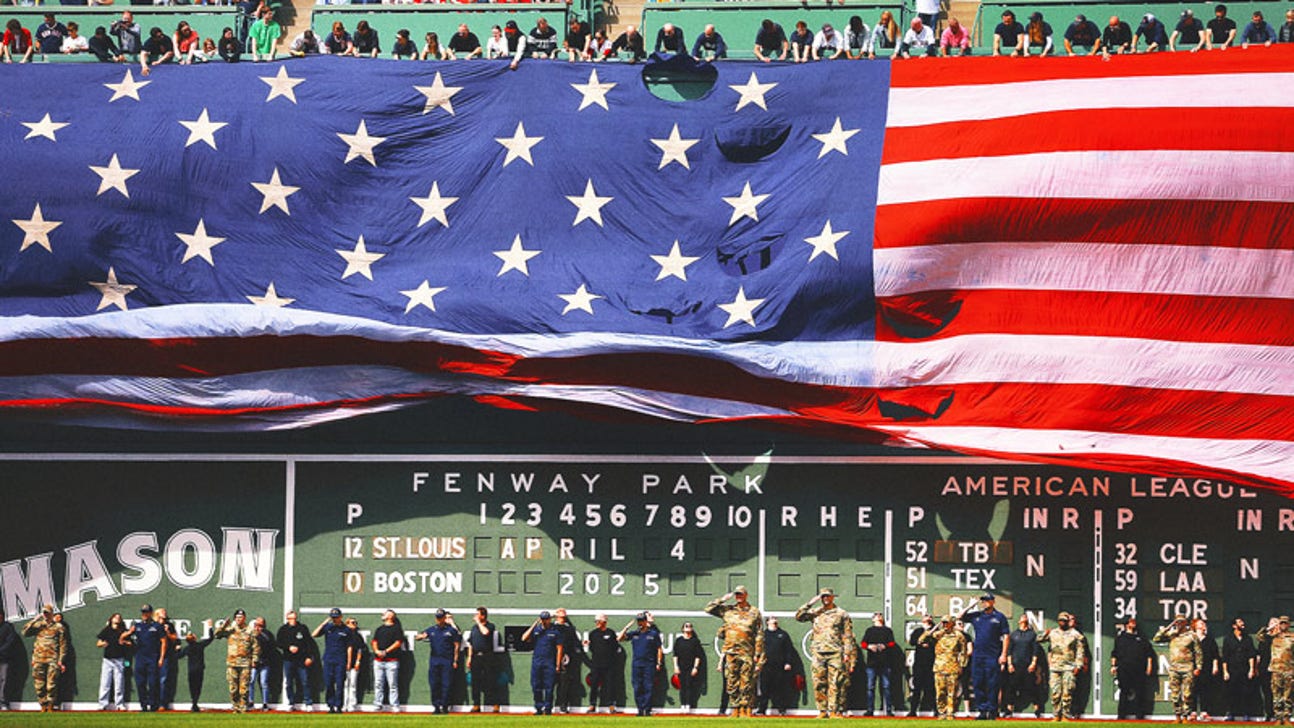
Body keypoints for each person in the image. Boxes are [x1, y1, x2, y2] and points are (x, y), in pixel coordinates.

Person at [795, 588, 856, 718]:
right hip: (818, 652)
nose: (825, 599)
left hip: (835, 652)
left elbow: (847, 635)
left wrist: (847, 653)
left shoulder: (841, 614)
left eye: (828, 596)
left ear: (833, 597)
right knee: (818, 683)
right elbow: (799, 617)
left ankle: (834, 710)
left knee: (836, 682)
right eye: (823, 596)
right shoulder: (816, 612)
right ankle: (822, 711)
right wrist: (810, 603)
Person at [705, 586, 764, 717]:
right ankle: (735, 707)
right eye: (737, 594)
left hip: (747, 651)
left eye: (741, 594)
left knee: (747, 681)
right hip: (731, 651)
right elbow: (708, 608)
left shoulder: (754, 612)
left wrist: (758, 653)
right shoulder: (728, 610)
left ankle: (746, 708)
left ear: (746, 595)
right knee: (731, 681)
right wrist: (722, 599)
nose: (738, 597)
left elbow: (759, 633)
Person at [961, 593, 1010, 721]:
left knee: (993, 684)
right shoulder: (977, 616)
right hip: (978, 655)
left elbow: (1006, 636)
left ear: (993, 601)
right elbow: (959, 617)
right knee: (978, 683)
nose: (985, 603)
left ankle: (992, 711)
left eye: (987, 600)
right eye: (983, 601)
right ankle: (982, 711)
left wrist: (1004, 654)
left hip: (993, 655)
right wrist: (970, 606)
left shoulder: (999, 617)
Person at [1155, 614, 1203, 723]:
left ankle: (1185, 716)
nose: (1179, 623)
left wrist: (1198, 667)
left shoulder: (1192, 636)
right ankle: (1177, 716)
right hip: (1174, 668)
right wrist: (1169, 626)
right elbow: (1156, 638)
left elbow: (1198, 652)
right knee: (1175, 694)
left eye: (1181, 621)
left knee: (1187, 694)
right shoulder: (1172, 635)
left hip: (1188, 667)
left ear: (1186, 623)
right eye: (1177, 621)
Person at [1038, 612, 1084, 720]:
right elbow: (1038, 639)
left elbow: (1080, 651)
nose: (1062, 622)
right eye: (1060, 620)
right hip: (1055, 667)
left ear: (1068, 622)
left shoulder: (1075, 634)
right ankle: (1056, 715)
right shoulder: (1053, 633)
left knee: (1067, 692)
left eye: (1064, 620)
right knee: (1055, 692)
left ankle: (1065, 715)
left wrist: (1078, 665)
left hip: (1069, 667)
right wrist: (1045, 633)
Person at [121, 604, 166, 712]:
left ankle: (153, 704)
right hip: (140, 657)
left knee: (152, 683)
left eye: (146, 612)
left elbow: (164, 642)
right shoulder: (137, 626)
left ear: (151, 613)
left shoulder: (157, 626)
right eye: (143, 612)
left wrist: (161, 658)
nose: (144, 615)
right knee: (140, 682)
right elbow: (122, 639)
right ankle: (143, 705)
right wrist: (128, 634)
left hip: (153, 657)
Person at [924, 614, 969, 720]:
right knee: (940, 692)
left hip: (953, 666)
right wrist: (932, 631)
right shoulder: (937, 635)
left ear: (951, 623)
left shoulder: (959, 635)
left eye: (946, 622)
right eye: (943, 623)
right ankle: (941, 712)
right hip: (939, 666)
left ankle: (950, 712)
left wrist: (962, 665)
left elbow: (963, 652)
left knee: (952, 692)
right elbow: (921, 640)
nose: (944, 625)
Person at [23, 605, 67, 712]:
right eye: (44, 613)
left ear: (52, 613)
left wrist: (61, 660)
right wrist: (34, 620)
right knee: (39, 684)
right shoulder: (39, 625)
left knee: (51, 684)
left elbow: (63, 645)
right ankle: (43, 704)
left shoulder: (59, 627)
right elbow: (25, 632)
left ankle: (51, 704)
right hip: (38, 658)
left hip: (52, 658)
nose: (45, 615)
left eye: (47, 612)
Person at [415, 608, 460, 714]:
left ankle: (445, 706)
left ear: (445, 618)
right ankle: (436, 706)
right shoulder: (432, 630)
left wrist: (455, 660)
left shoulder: (451, 631)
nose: (439, 620)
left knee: (446, 684)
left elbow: (456, 646)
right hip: (435, 660)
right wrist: (420, 636)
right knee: (434, 684)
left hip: (447, 660)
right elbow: (421, 636)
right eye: (438, 618)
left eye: (441, 617)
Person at [214, 609, 259, 713]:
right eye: (237, 618)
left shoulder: (250, 631)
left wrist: (255, 659)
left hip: (245, 663)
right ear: (235, 619)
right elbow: (217, 635)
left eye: (241, 617)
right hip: (232, 663)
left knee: (244, 688)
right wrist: (223, 626)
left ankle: (243, 708)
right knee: (233, 688)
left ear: (244, 618)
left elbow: (255, 646)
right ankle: (235, 707)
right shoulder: (230, 629)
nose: (239, 619)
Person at [618, 612, 662, 716]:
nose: (640, 623)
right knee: (637, 687)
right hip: (637, 664)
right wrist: (627, 627)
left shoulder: (653, 634)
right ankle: (640, 709)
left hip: (649, 664)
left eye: (642, 621)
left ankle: (647, 710)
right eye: (638, 621)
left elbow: (659, 649)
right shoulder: (634, 634)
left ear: (646, 621)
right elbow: (619, 638)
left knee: (648, 687)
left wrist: (659, 662)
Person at [522, 610, 563, 715]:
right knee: (536, 686)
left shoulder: (555, 632)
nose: (545, 621)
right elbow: (524, 638)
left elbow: (559, 648)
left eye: (546, 619)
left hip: (549, 663)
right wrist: (535, 624)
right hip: (537, 662)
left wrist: (558, 665)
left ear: (550, 619)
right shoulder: (537, 630)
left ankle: (548, 708)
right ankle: (539, 708)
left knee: (549, 687)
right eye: (543, 619)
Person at [313, 608, 353, 713]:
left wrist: (348, 662)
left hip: (340, 660)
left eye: (336, 617)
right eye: (333, 617)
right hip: (328, 659)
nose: (334, 619)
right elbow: (314, 634)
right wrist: (324, 623)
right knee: (329, 683)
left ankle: (339, 706)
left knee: (340, 684)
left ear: (341, 617)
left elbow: (349, 647)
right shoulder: (328, 627)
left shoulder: (346, 630)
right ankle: (330, 706)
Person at [1111, 617, 1153, 719]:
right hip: (1124, 669)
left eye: (1134, 621)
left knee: (1140, 692)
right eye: (1131, 622)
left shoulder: (1141, 638)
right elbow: (1114, 653)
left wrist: (1149, 666)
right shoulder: (1120, 638)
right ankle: (1121, 716)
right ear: (1126, 624)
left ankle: (1139, 716)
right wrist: (1113, 666)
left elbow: (1149, 654)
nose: (1133, 623)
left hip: (1139, 669)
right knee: (1124, 691)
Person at [860, 612, 897, 716]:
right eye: (876, 615)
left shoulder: (888, 631)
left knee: (886, 686)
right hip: (872, 663)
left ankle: (888, 710)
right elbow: (863, 643)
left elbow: (892, 643)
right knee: (870, 687)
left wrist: (884, 646)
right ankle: (870, 710)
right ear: (873, 619)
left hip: (885, 663)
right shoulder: (869, 631)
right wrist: (869, 647)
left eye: (880, 614)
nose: (879, 616)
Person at [1257, 616, 1292, 725]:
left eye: (1285, 623)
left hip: (1289, 669)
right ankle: (1278, 717)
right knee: (1276, 696)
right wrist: (1271, 627)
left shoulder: (1292, 637)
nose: (1283, 625)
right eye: (1281, 623)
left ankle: (1286, 717)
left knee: (1288, 696)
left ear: (1288, 625)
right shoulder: (1272, 637)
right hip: (1275, 669)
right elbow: (1259, 636)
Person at [466, 606, 502, 712]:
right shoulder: (474, 628)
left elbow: (485, 632)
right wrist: (469, 657)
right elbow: (471, 644)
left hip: (487, 657)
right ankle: (476, 704)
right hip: (476, 657)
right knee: (475, 682)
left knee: (490, 680)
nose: (475, 616)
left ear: (483, 615)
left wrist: (478, 622)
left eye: (478, 614)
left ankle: (495, 704)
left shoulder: (490, 626)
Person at [278, 610, 316, 711]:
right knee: (289, 682)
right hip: (288, 660)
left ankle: (308, 703)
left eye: (294, 618)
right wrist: (288, 647)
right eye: (291, 618)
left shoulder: (302, 628)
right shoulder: (283, 629)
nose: (293, 620)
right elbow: (279, 643)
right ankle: (291, 703)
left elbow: (309, 644)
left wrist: (309, 657)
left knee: (305, 681)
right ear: (287, 618)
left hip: (301, 660)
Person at [1222, 616, 1258, 721]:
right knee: (1231, 692)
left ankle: (1246, 714)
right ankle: (1231, 713)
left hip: (1244, 670)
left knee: (1246, 692)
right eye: (1239, 622)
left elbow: (1251, 655)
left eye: (1242, 621)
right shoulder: (1228, 639)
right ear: (1234, 626)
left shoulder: (1248, 639)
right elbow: (1225, 656)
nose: (1242, 623)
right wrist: (1225, 671)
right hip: (1232, 670)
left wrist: (1252, 669)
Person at [1004, 615, 1039, 718]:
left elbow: (1035, 650)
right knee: (1011, 688)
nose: (1023, 619)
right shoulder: (1014, 635)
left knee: (1031, 687)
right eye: (1022, 618)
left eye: (1025, 618)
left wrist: (1033, 663)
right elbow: (1009, 650)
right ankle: (1009, 710)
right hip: (1015, 665)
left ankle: (1037, 709)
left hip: (1028, 666)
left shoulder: (1032, 635)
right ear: (1019, 621)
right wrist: (1010, 664)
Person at [584, 613, 620, 713]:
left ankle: (611, 705)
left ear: (604, 622)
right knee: (594, 685)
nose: (596, 623)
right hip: (596, 664)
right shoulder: (593, 634)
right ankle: (592, 705)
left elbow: (615, 648)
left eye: (598, 621)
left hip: (609, 665)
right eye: (596, 621)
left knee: (610, 685)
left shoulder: (611, 633)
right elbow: (592, 649)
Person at [758, 616, 794, 715]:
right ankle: (762, 709)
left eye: (776, 618)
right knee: (764, 689)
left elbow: (788, 650)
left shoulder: (783, 634)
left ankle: (781, 709)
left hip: (779, 666)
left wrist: (788, 662)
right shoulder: (763, 635)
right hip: (765, 665)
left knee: (779, 688)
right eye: (772, 618)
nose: (775, 620)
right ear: (768, 621)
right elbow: (758, 650)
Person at [177, 622, 214, 713]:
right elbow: (210, 638)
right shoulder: (199, 646)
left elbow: (178, 656)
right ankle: (195, 703)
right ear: (194, 638)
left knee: (192, 687)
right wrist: (210, 627)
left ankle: (194, 702)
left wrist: (177, 649)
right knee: (198, 687)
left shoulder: (187, 648)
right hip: (199, 669)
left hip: (191, 670)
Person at [371, 609, 404, 712]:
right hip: (378, 661)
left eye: (384, 614)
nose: (382, 615)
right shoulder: (379, 629)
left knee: (392, 685)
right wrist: (376, 651)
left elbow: (398, 642)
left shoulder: (397, 629)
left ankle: (394, 705)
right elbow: (374, 641)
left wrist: (386, 651)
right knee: (378, 684)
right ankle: (377, 704)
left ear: (390, 616)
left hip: (392, 661)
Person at [96, 613, 129, 711]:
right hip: (107, 660)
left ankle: (119, 704)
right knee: (105, 683)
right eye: (115, 617)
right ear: (111, 619)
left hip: (119, 660)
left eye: (119, 617)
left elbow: (130, 643)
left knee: (119, 684)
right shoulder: (107, 630)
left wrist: (125, 642)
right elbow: (98, 643)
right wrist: (103, 643)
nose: (117, 618)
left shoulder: (123, 631)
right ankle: (102, 704)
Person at [554, 608, 583, 713]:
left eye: (564, 615)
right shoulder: (551, 627)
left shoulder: (570, 629)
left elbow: (575, 644)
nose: (562, 617)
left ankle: (563, 705)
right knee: (548, 683)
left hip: (565, 658)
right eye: (560, 615)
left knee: (564, 683)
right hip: (550, 657)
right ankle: (546, 705)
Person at [909, 615, 937, 716]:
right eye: (925, 616)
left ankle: (936, 710)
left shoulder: (936, 630)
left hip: (931, 663)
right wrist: (920, 643)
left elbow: (938, 643)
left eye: (929, 617)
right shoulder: (918, 631)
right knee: (917, 689)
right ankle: (913, 711)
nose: (927, 618)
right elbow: (912, 642)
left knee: (931, 688)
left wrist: (930, 643)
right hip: (919, 664)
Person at [673, 622, 703, 713]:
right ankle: (682, 705)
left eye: (690, 626)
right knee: (682, 687)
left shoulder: (695, 641)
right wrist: (676, 666)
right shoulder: (679, 641)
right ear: (683, 629)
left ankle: (688, 706)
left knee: (689, 686)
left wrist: (695, 667)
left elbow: (698, 656)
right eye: (686, 626)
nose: (688, 627)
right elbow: (675, 655)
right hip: (681, 667)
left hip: (691, 667)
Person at [1193, 619, 1220, 720]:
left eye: (1204, 623)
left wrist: (1215, 666)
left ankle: (1204, 712)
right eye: (1200, 623)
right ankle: (1193, 712)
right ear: (1195, 626)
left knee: (1205, 691)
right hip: (1194, 669)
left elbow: (1215, 655)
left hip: (1206, 668)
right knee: (1193, 690)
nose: (1203, 625)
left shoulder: (1209, 640)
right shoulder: (1192, 638)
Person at [157, 608, 181, 710]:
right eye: (162, 612)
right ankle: (151, 702)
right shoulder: (153, 625)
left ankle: (163, 703)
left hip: (166, 656)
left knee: (163, 679)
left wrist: (167, 632)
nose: (165, 613)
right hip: (152, 655)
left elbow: (175, 638)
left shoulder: (169, 625)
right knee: (152, 679)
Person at [251, 617, 276, 711]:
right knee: (251, 681)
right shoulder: (251, 634)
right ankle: (250, 702)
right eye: (256, 625)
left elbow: (270, 646)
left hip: (265, 663)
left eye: (260, 625)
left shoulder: (267, 634)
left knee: (264, 683)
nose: (258, 627)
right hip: (254, 662)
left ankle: (265, 703)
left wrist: (260, 634)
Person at [343, 617, 366, 712]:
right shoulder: (343, 635)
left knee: (353, 685)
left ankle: (352, 705)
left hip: (354, 664)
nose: (354, 624)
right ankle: (343, 705)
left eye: (355, 622)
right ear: (347, 624)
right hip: (343, 663)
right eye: (352, 622)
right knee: (344, 685)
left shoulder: (358, 636)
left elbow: (360, 650)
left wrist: (357, 661)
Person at [0, 607, 20, 711]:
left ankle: (3, 703)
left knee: (4, 680)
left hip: (4, 659)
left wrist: (1, 651)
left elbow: (10, 641)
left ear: (2, 616)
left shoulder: (8, 627)